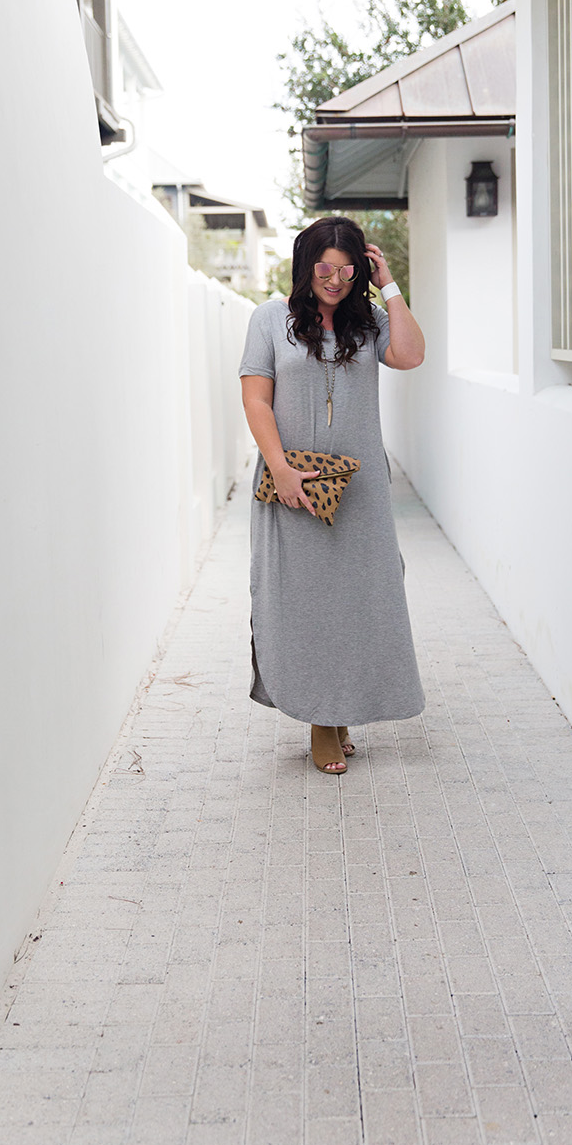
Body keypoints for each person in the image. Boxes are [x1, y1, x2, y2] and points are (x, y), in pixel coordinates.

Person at [238, 215, 426, 774]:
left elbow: (411, 355)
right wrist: (283, 469)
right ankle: (322, 722)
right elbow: (256, 402)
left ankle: (340, 710)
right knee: (307, 603)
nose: (336, 280)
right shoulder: (270, 320)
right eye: (325, 267)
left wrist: (388, 285)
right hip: (290, 486)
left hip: (361, 488)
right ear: (306, 265)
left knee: (361, 601)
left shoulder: (368, 321)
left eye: (348, 269)